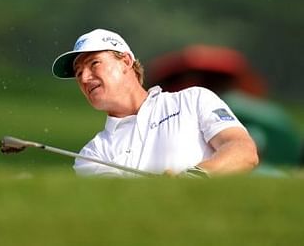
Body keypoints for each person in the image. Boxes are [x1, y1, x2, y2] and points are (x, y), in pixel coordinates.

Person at [51, 28, 259, 177]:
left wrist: (196, 177)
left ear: (125, 61)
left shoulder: (193, 99)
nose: (84, 78)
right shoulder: (92, 154)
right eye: (78, 73)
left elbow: (243, 151)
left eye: (93, 63)